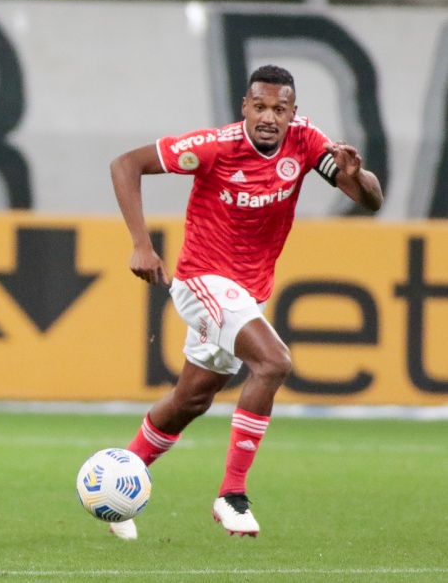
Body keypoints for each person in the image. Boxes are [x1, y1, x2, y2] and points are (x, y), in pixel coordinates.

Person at [107, 64, 383, 539]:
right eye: (260, 106)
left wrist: (359, 178)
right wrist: (141, 243)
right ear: (245, 107)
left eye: (280, 108)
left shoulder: (308, 143)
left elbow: (372, 202)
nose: (269, 117)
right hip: (201, 282)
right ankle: (231, 494)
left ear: (294, 112)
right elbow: (125, 164)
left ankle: (119, 481)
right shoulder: (214, 147)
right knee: (273, 363)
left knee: (191, 398)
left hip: (245, 292)